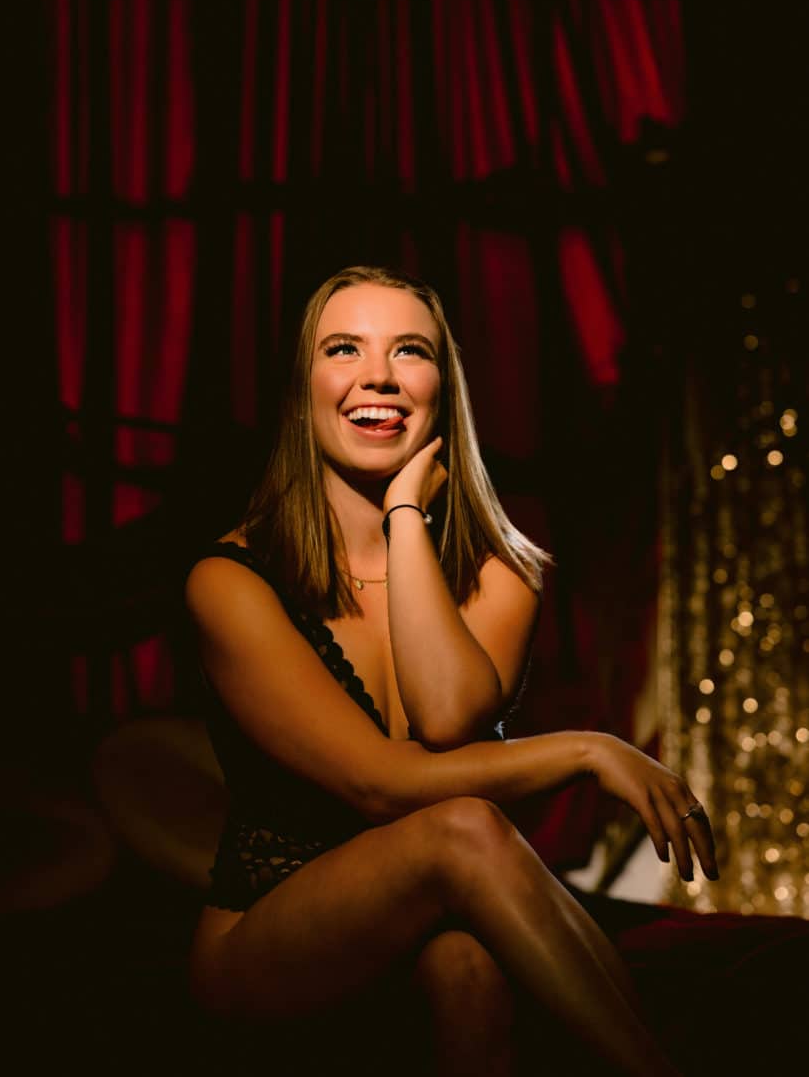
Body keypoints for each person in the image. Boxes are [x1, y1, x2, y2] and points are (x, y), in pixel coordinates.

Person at [185, 264, 718, 1077]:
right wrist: (588, 749)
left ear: (442, 388)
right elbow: (380, 786)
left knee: (467, 965)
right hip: (267, 936)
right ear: (303, 390)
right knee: (460, 827)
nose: (378, 377)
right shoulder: (230, 581)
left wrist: (403, 517)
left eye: (409, 351)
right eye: (343, 349)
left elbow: (444, 717)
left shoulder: (502, 573)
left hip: (443, 917)